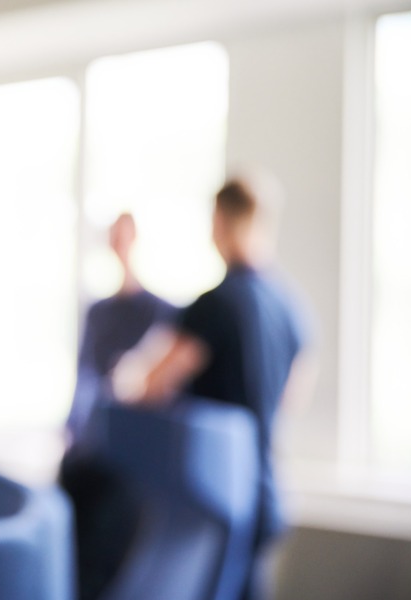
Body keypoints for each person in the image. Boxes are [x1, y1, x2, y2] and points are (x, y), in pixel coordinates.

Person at [115, 171, 314, 600]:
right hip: (265, 490)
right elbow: (290, 399)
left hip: (214, 495)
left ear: (220, 222)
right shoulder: (291, 307)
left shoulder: (215, 305)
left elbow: (150, 386)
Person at [61, 213, 177, 600]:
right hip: (85, 454)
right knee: (72, 557)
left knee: (110, 563)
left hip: (128, 464)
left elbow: (154, 390)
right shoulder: (97, 312)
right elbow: (83, 382)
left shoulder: (160, 312)